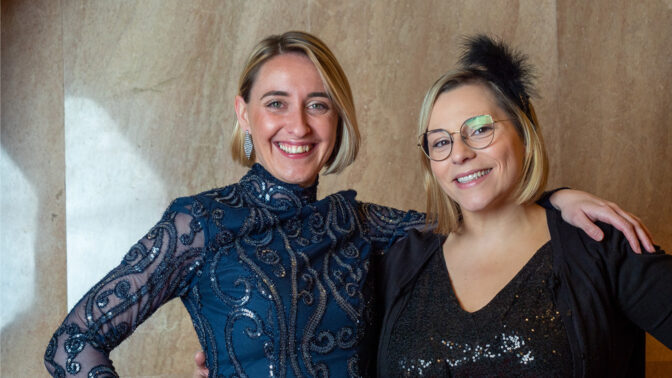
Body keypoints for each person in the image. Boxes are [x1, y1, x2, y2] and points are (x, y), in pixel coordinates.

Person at [45, 31, 654, 378]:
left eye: (318, 103)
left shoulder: (365, 226)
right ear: (244, 114)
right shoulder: (199, 224)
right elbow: (73, 343)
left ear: (338, 118)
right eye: (276, 102)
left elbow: (478, 208)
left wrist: (554, 197)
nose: (298, 125)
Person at [375, 35, 672, 377]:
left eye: (480, 129)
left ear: (523, 131)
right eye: (441, 141)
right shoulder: (400, 264)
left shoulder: (599, 244)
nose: (459, 154)